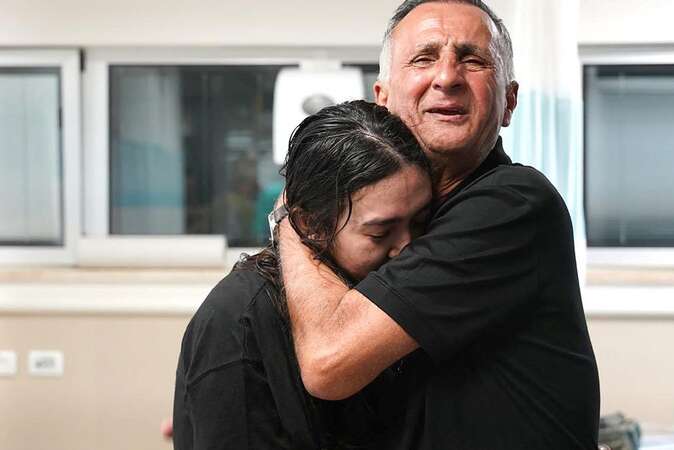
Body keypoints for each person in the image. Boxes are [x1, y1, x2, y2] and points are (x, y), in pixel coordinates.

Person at [276, 1, 601, 449]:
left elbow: (330, 361)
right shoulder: (402, 221)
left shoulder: (511, 204)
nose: (447, 77)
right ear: (382, 98)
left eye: (473, 60)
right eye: (424, 58)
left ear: (509, 102)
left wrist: (290, 221)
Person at [172, 100, 432, 450]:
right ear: (310, 224)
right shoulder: (238, 322)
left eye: (419, 221)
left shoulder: (379, 293)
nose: (407, 246)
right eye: (379, 233)